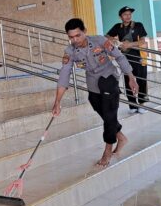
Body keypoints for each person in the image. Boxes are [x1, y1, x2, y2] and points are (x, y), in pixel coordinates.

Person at [52, 18, 138, 166]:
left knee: (109, 113)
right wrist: (57, 102)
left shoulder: (100, 41)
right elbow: (64, 75)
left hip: (108, 77)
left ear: (84, 32)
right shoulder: (70, 51)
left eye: (78, 35)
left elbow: (119, 56)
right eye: (71, 37)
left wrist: (131, 76)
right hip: (93, 84)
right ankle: (121, 137)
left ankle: (107, 150)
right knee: (105, 113)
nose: (75, 40)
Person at [106, 6, 149, 113]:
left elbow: (142, 41)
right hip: (125, 58)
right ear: (120, 17)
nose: (128, 16)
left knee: (141, 79)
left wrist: (130, 44)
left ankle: (142, 104)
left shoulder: (138, 25)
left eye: (129, 14)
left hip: (139, 57)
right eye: (125, 14)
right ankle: (133, 105)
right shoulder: (117, 27)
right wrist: (116, 42)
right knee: (127, 79)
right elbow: (107, 36)